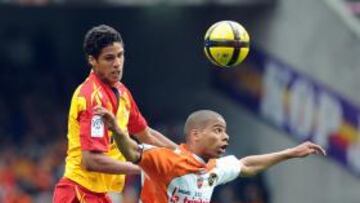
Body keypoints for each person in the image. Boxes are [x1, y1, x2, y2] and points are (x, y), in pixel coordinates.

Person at [94, 107, 326, 203]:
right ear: (195, 134)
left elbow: (246, 165)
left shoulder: (212, 169)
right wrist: (117, 129)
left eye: (225, 132)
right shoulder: (167, 159)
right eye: (218, 130)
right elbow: (133, 151)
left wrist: (291, 152)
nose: (225, 137)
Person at [53, 24, 177, 203]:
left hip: (100, 194)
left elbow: (145, 134)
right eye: (109, 58)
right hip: (78, 193)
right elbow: (92, 161)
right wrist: (145, 168)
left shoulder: (122, 92)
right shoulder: (91, 99)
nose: (117, 64)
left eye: (120, 55)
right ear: (92, 60)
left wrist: (183, 156)